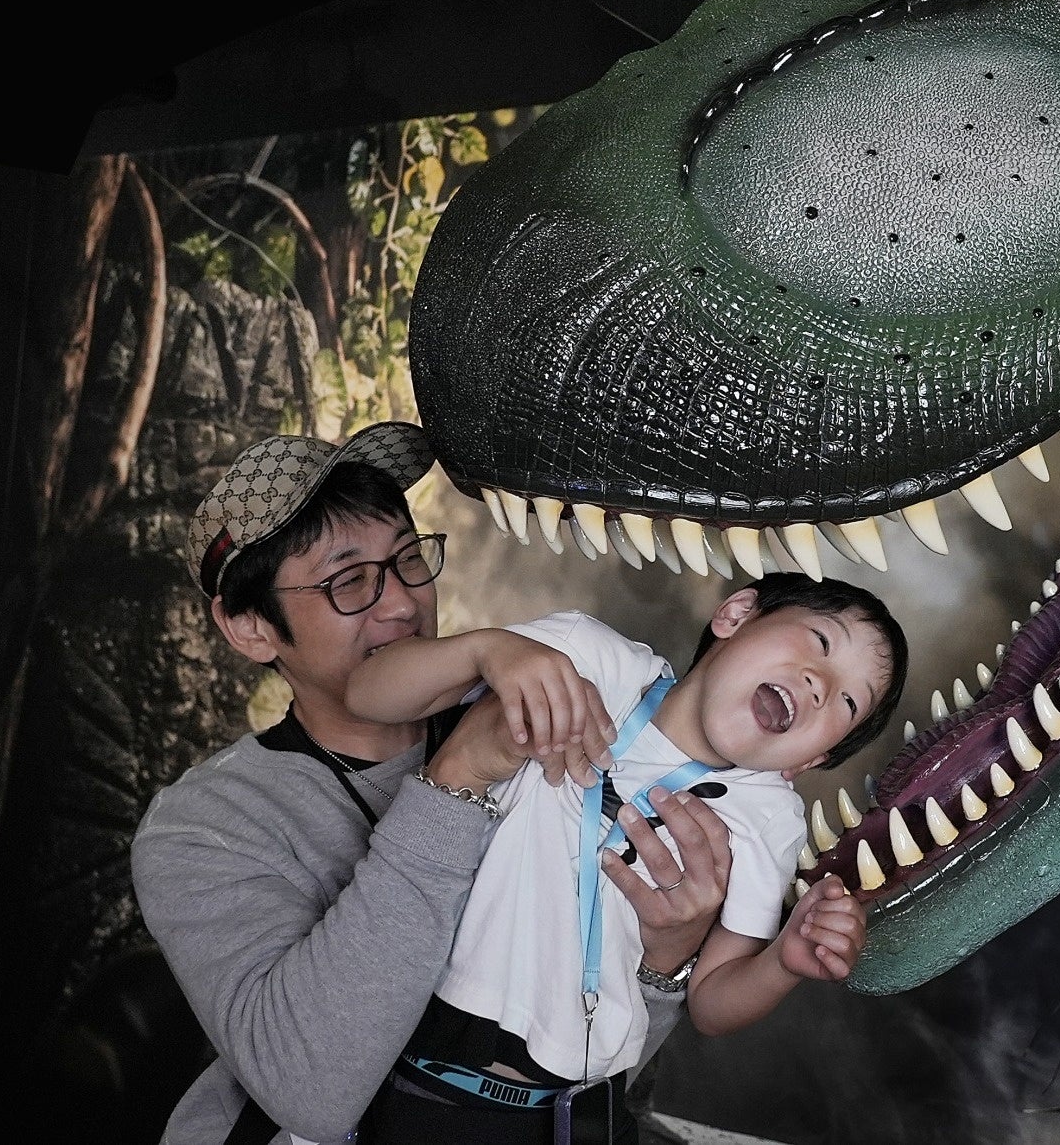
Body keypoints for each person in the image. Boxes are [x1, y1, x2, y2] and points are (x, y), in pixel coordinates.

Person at [129, 421, 734, 1145]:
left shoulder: (543, 724)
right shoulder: (205, 826)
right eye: (348, 581)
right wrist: (457, 779)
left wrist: (665, 964)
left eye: (408, 558)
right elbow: (311, 1092)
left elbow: (589, 1073)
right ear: (251, 627)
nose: (401, 603)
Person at [345, 570, 909, 1143]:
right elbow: (366, 694)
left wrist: (783, 963)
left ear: (810, 761)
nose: (820, 685)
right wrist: (487, 651)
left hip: (581, 1112)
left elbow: (711, 1005)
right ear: (736, 616)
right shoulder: (587, 657)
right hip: (425, 1073)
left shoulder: (770, 819)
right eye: (820, 641)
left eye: (848, 701)